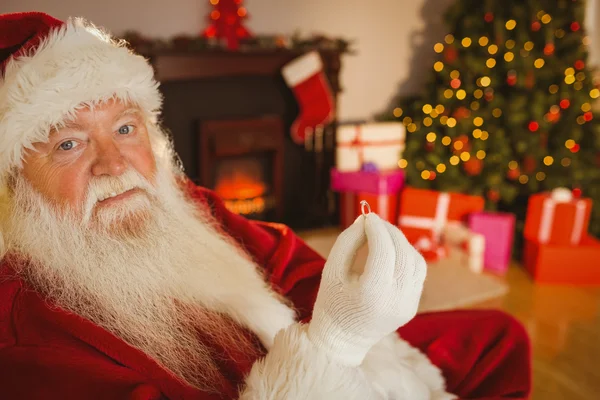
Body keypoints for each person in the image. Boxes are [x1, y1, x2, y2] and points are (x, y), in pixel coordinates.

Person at [0, 11, 531, 400]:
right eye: (68, 143)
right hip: (303, 375)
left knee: (498, 337)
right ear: (14, 183)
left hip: (292, 336)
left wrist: (356, 284)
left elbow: (280, 256)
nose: (115, 165)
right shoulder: (26, 333)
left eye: (124, 128)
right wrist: (336, 342)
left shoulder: (180, 202)